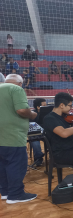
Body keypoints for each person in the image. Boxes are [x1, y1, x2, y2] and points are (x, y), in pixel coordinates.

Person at [0, 74, 38, 204]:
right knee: (16, 164)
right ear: (20, 83)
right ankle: (15, 194)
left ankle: (5, 192)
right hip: (13, 135)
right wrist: (32, 114)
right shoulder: (16, 89)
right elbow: (22, 110)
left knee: (2, 165)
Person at [29, 98, 47, 167]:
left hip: (44, 132)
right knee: (34, 140)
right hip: (35, 133)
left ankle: (55, 156)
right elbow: (31, 126)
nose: (46, 107)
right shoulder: (32, 114)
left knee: (54, 137)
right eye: (44, 105)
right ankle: (38, 158)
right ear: (38, 107)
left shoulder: (48, 113)